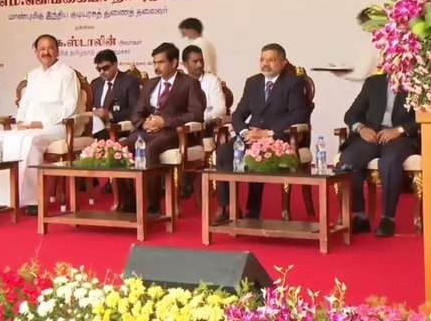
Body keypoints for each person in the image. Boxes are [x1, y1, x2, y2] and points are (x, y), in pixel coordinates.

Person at [213, 43, 309, 223]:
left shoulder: (293, 83)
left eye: (271, 60)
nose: (265, 64)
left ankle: (253, 209)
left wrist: (268, 133)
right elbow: (239, 114)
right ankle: (228, 207)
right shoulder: (253, 82)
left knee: (258, 154)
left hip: (278, 137)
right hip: (251, 136)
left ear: (282, 63)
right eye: (262, 59)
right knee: (224, 152)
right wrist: (244, 132)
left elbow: (298, 114)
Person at [0, 35, 79, 216]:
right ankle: (3, 198)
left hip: (55, 126)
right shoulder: (33, 75)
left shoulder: (67, 73)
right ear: (36, 53)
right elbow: (24, 104)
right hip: (30, 126)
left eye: (50, 48)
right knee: (0, 139)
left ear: (57, 50)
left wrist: (43, 123)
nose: (46, 52)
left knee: (31, 142)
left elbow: (69, 105)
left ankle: (34, 200)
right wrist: (20, 121)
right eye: (42, 49)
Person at [121, 42, 206, 213]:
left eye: (160, 62)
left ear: (174, 63)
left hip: (174, 134)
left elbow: (196, 114)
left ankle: (152, 205)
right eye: (154, 62)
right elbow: (136, 113)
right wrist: (143, 123)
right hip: (147, 131)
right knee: (121, 149)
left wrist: (164, 122)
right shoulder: (150, 84)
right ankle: (129, 202)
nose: (156, 67)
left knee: (149, 149)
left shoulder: (189, 84)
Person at [336, 72, 421, 237]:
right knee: (350, 160)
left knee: (389, 161)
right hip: (373, 134)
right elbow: (351, 114)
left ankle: (387, 218)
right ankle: (359, 216)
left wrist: (399, 130)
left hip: (401, 137)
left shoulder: (416, 83)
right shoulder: (373, 83)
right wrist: (361, 128)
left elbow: (423, 117)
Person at [87, 49, 141, 193]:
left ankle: (114, 179)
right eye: (99, 69)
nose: (102, 72)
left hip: (119, 127)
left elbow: (135, 110)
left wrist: (110, 114)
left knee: (100, 139)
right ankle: (87, 178)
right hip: (97, 126)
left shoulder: (129, 82)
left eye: (105, 68)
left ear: (115, 65)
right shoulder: (96, 84)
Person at [179, 44, 226, 198]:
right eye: (195, 61)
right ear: (185, 64)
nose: (199, 64)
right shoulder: (179, 82)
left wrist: (201, 118)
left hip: (204, 126)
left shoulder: (211, 81)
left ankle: (186, 183)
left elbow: (220, 108)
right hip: (181, 126)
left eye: (201, 60)